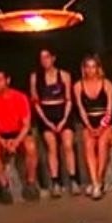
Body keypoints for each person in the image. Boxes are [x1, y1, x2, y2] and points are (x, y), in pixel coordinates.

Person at [0, 69, 40, 204]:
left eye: (0, 80)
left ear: (7, 80)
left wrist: (16, 142)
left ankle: (30, 183)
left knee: (31, 146)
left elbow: (26, 125)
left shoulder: (20, 97)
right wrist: (3, 142)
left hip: (18, 133)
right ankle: (4, 186)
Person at [29, 48, 77, 198]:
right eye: (42, 58)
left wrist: (63, 120)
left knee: (68, 144)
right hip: (45, 114)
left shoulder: (64, 75)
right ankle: (56, 182)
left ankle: (73, 179)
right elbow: (35, 102)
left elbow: (69, 99)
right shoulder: (35, 77)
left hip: (63, 111)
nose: (45, 61)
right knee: (52, 146)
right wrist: (46, 121)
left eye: (47, 57)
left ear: (53, 58)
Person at [74, 55, 112, 200]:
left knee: (103, 142)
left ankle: (98, 181)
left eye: (93, 67)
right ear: (84, 69)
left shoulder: (107, 84)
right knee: (89, 143)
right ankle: (95, 182)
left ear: (98, 68)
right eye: (88, 67)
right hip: (89, 122)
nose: (91, 70)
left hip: (106, 122)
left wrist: (101, 127)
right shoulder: (78, 86)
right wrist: (90, 127)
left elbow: (110, 109)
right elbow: (81, 110)